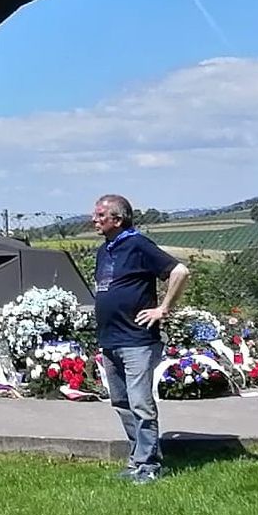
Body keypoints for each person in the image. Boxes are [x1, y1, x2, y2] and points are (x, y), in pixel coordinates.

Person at [91, 193, 190, 484]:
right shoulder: (105, 249)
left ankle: (150, 465)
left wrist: (163, 308)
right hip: (110, 340)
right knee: (121, 402)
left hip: (136, 340)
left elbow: (179, 271)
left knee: (140, 403)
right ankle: (137, 459)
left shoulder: (137, 244)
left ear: (117, 219)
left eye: (100, 215)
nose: (93, 220)